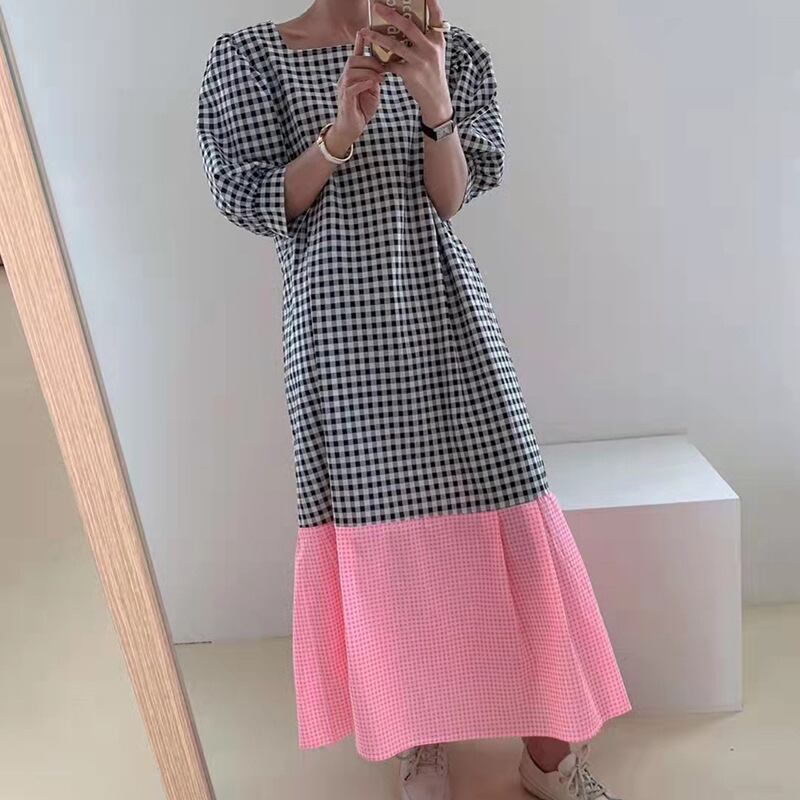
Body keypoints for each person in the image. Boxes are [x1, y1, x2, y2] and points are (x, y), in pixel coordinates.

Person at [196, 1, 632, 798]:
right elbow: (258, 201)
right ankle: (419, 738)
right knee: (385, 550)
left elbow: (451, 198)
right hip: (335, 334)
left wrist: (434, 102)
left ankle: (548, 752)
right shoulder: (251, 59)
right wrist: (340, 133)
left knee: (510, 516)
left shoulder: (450, 50)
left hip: (443, 311)